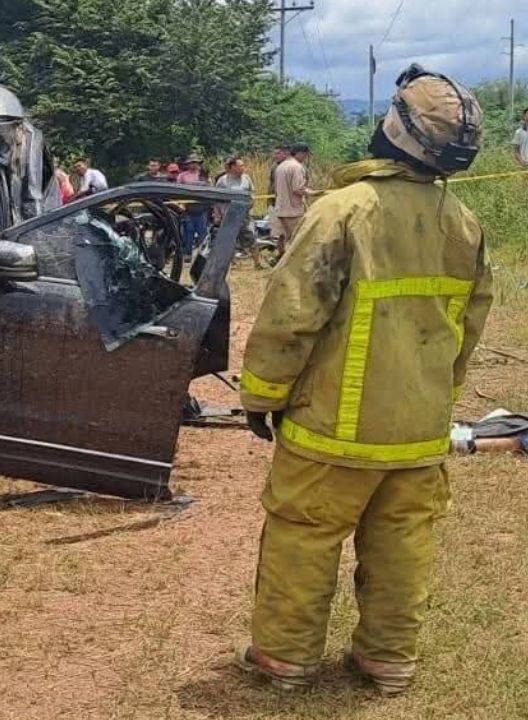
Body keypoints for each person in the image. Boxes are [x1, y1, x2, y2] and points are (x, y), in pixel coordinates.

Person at [235, 64, 494, 696]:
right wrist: (439, 396)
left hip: (333, 430)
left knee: (304, 536)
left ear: (395, 132)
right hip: (420, 431)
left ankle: (286, 661)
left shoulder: (344, 211)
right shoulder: (464, 223)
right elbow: (470, 326)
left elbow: (293, 313)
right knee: (403, 545)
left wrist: (261, 395)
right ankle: (388, 661)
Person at [215, 157, 262, 268]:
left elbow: (252, 193)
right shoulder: (222, 180)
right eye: (240, 166)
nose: (243, 168)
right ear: (232, 167)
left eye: (243, 166)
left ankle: (258, 263)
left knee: (251, 238)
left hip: (244, 215)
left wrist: (252, 202)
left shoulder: (246, 178)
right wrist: (217, 214)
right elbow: (216, 198)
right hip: (228, 215)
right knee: (229, 241)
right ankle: (230, 264)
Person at [272, 143, 313, 256]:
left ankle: (279, 259)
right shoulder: (297, 167)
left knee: (282, 238)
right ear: (300, 153)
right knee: (298, 240)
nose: (305, 158)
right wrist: (313, 193)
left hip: (280, 209)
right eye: (305, 155)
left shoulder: (280, 166)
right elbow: (298, 189)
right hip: (293, 211)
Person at [176, 154, 211, 258]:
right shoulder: (182, 176)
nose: (193, 165)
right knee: (188, 232)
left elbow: (211, 189)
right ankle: (187, 254)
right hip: (188, 209)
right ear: (188, 164)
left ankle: (202, 255)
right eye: (191, 163)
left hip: (202, 208)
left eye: (195, 163)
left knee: (202, 232)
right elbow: (177, 192)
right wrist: (180, 204)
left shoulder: (204, 176)